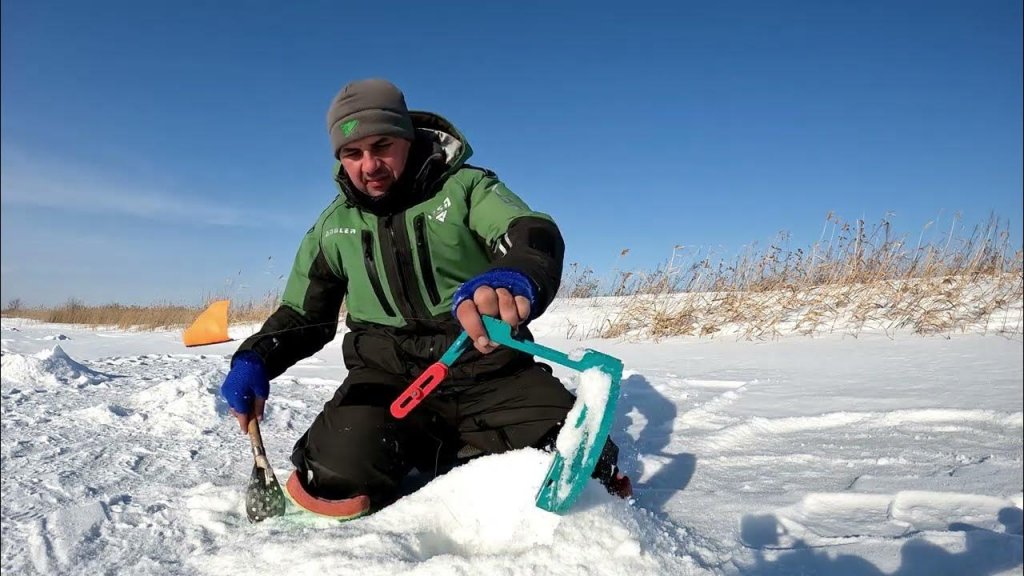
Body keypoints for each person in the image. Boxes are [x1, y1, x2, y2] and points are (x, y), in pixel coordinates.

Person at [220, 78, 632, 518]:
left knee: (590, 466)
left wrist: (514, 277)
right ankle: (428, 450)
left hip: (487, 367)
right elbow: (304, 314)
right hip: (386, 378)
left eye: (382, 146)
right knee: (333, 477)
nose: (369, 165)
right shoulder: (332, 228)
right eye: (352, 153)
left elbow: (530, 232)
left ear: (409, 138)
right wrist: (256, 357)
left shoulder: (466, 189)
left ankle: (459, 451)